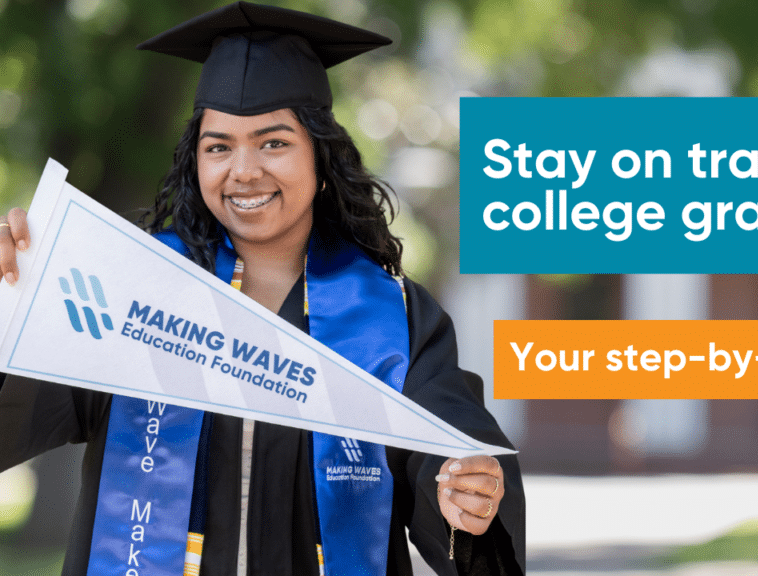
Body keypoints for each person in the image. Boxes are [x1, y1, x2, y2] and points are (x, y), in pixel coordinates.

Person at [0, 2, 524, 575]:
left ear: (320, 158)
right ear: (195, 162)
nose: (244, 170)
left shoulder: (390, 317)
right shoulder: (134, 290)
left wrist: (464, 487)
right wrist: (8, 301)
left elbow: (450, 441)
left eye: (273, 143)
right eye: (218, 146)